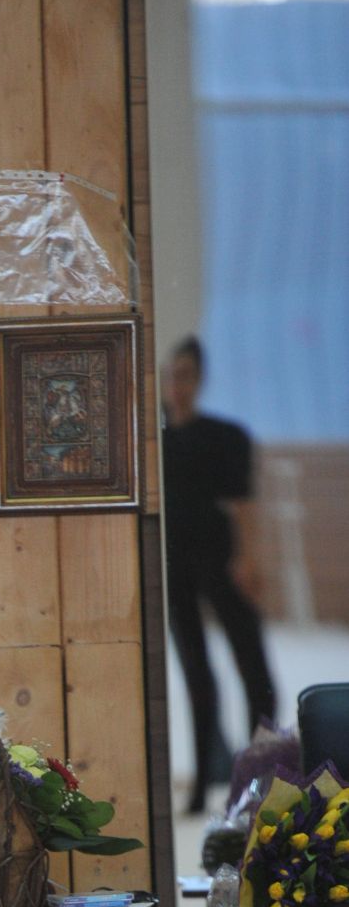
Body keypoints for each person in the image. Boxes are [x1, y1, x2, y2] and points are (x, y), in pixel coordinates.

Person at [161, 335, 277, 816]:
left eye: (186, 375)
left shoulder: (225, 435)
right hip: (175, 562)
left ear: (200, 378)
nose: (178, 385)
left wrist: (248, 558)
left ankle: (265, 774)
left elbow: (244, 505)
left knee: (254, 670)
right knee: (195, 673)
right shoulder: (153, 439)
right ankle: (200, 789)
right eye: (171, 376)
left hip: (221, 556)